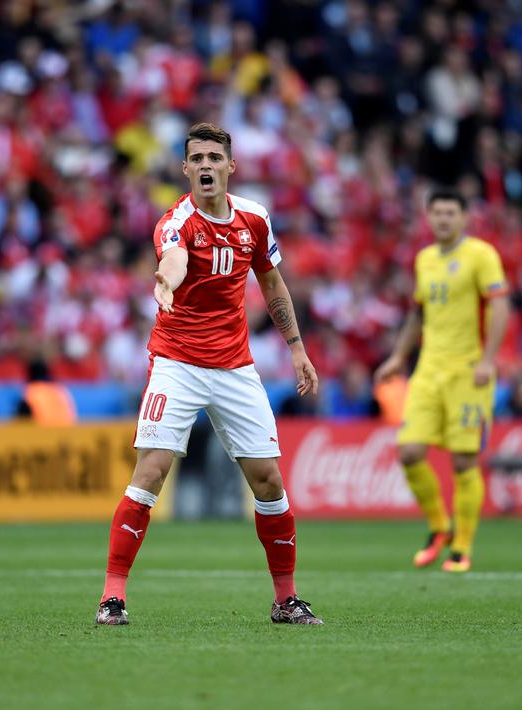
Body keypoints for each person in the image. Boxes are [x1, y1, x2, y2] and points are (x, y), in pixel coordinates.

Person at [95, 123, 322, 626]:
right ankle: (113, 597)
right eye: (195, 158)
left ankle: (285, 599)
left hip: (236, 366)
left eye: (214, 158)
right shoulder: (175, 223)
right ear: (184, 168)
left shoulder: (255, 219)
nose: (205, 166)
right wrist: (166, 282)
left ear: (230, 166)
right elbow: (173, 259)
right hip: (176, 362)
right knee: (150, 472)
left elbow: (272, 283)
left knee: (268, 482)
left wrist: (297, 349)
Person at [375, 190, 510, 572]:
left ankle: (462, 548)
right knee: (409, 452)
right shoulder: (425, 259)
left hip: (468, 371)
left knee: (465, 460)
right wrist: (399, 357)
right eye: (437, 213)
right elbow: (418, 313)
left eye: (451, 213)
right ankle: (439, 527)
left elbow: (500, 306)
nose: (444, 219)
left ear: (465, 217)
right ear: (428, 217)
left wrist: (488, 360)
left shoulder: (481, 255)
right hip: (428, 371)